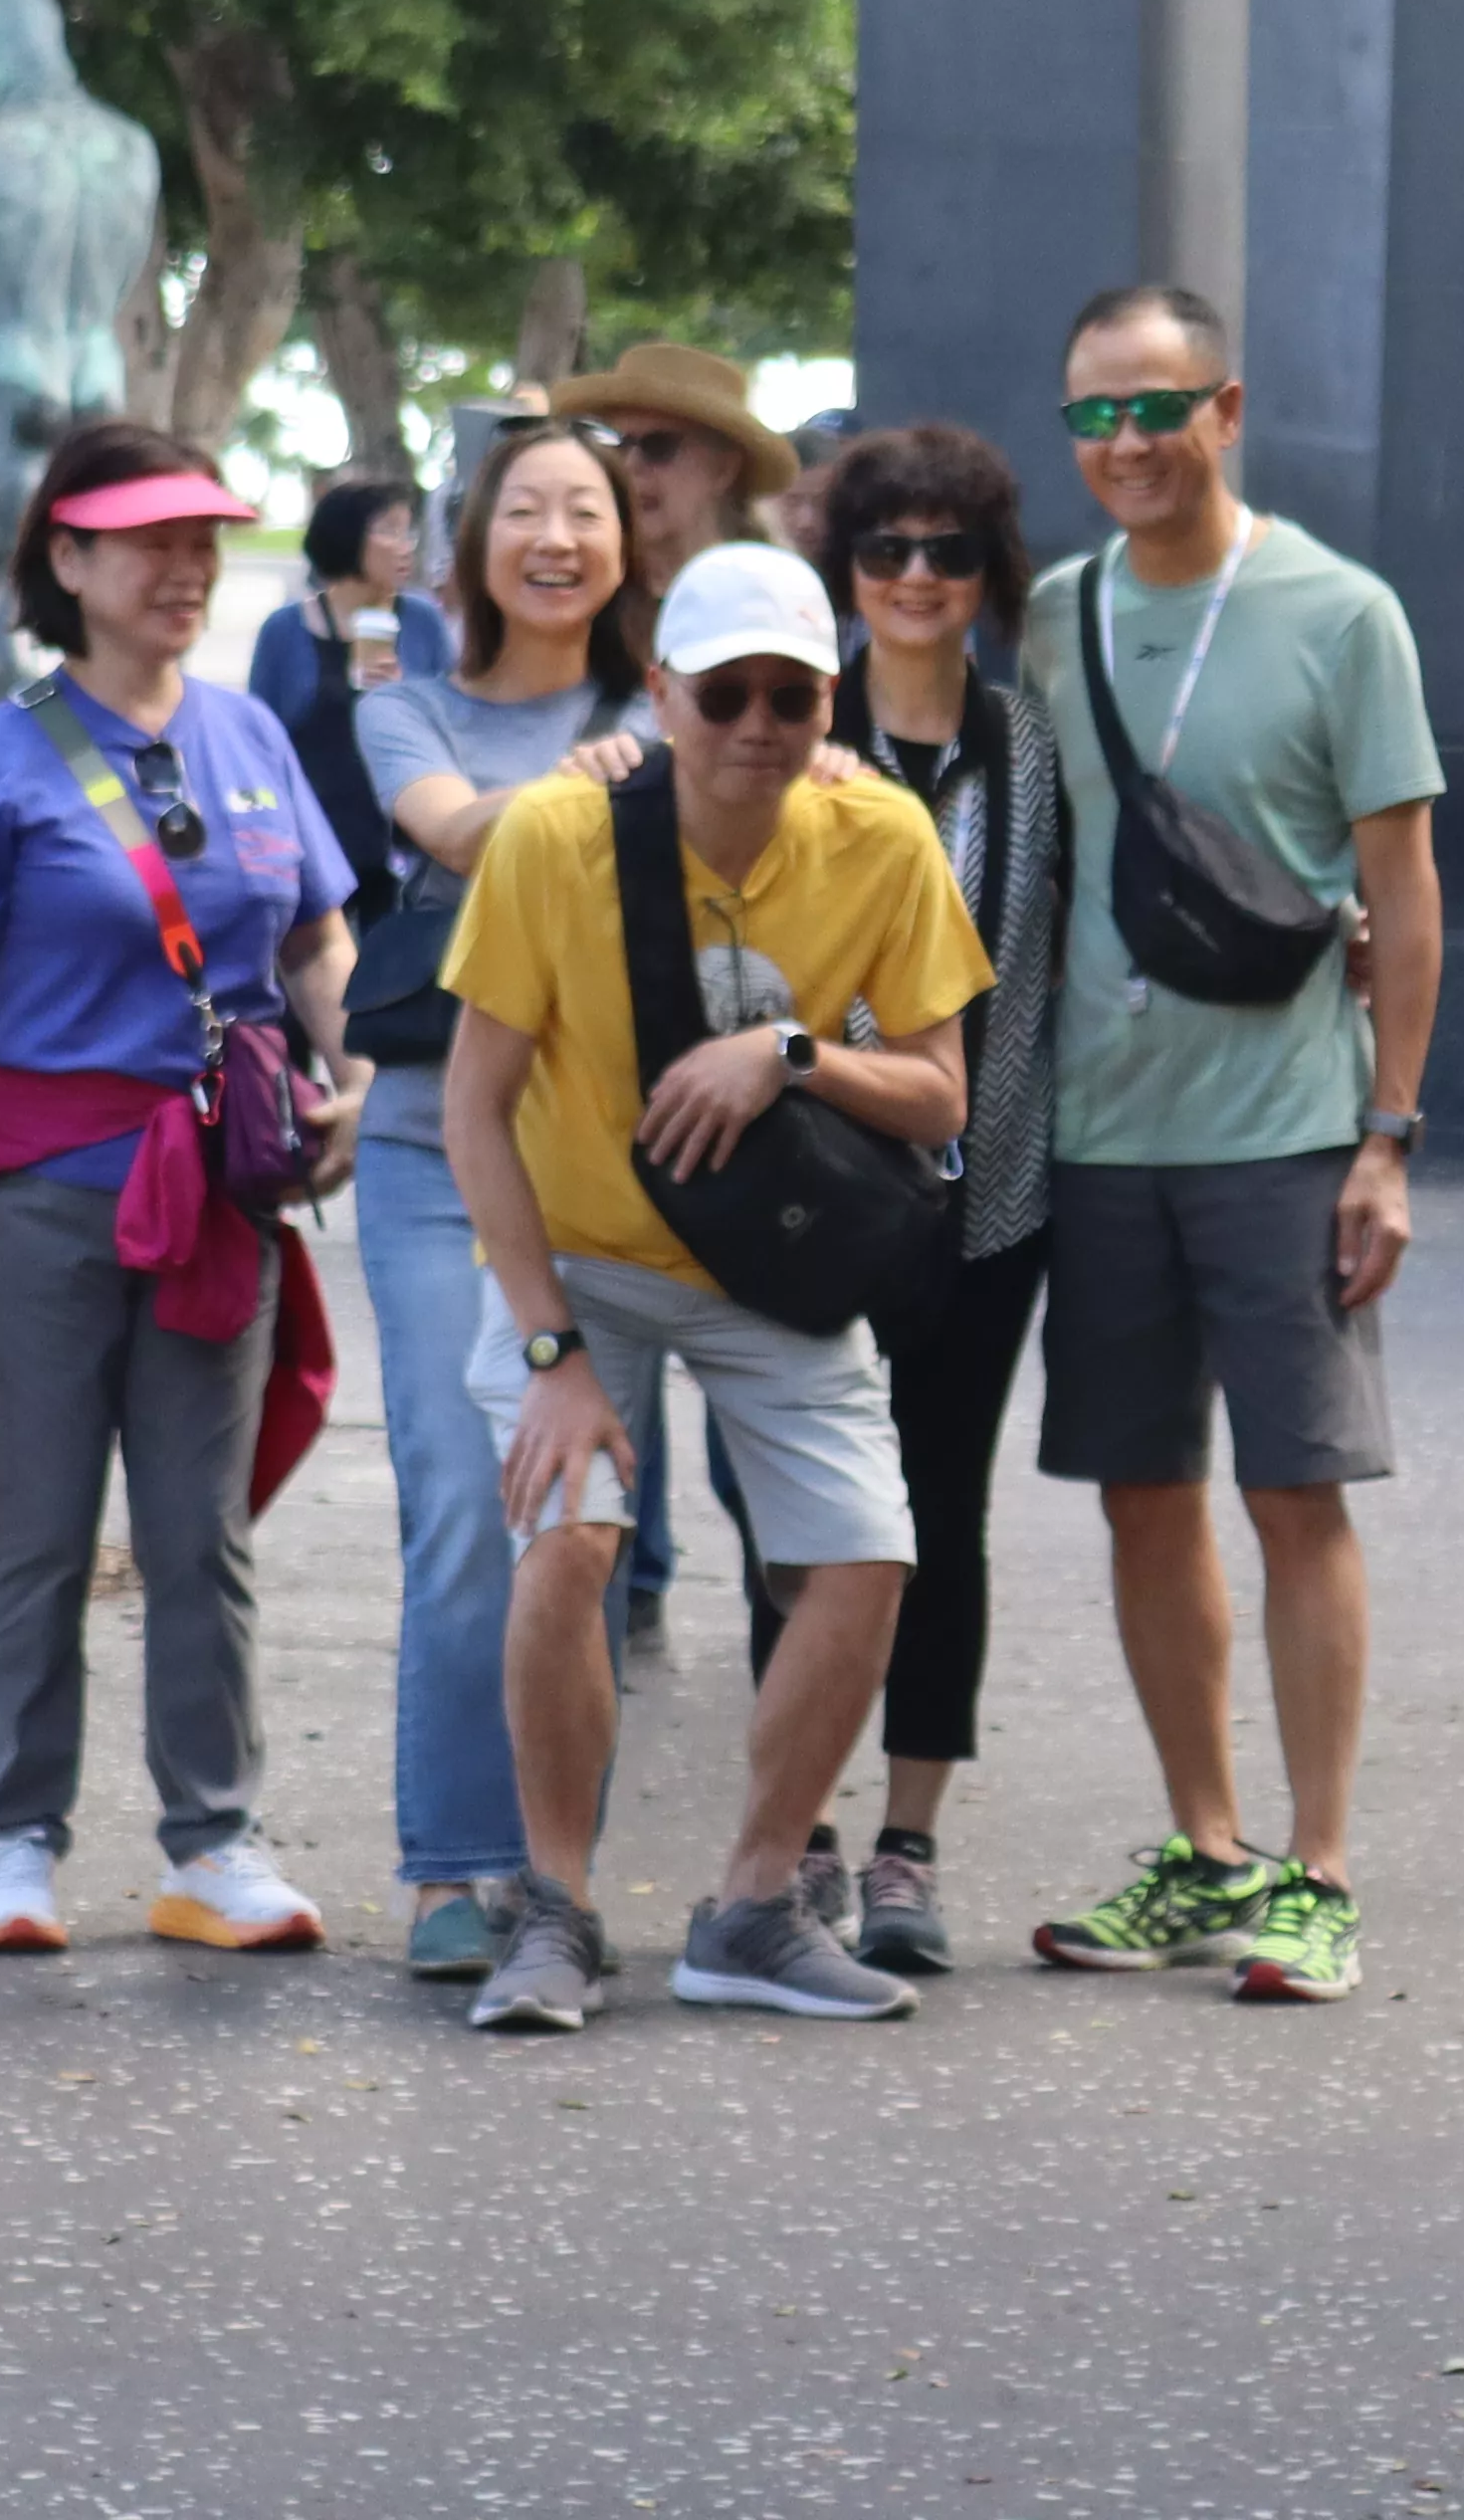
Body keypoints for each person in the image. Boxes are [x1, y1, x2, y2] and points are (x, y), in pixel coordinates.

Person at [443, 539, 988, 2030]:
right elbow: (471, 1109)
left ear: (834, 705)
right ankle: (552, 1904)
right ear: (663, 693)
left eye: (792, 698)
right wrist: (550, 1349)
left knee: (869, 1556)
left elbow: (943, 1097)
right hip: (588, 1262)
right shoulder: (556, 838)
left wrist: (795, 1051)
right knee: (570, 1541)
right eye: (726, 694)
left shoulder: (881, 837)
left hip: (774, 1272)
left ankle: (752, 1904)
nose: (757, 726)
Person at [0, 416, 351, 1958]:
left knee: (202, 1535)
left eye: (202, 541)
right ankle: (14, 1845)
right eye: (149, 541)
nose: (185, 568)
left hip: (222, 1190)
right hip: (35, 1197)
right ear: (68, 559)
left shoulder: (254, 737)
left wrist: (357, 1070)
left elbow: (318, 936)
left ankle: (213, 1845)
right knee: (39, 1533)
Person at [1017, 285, 1443, 2005]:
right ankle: (1207, 1848)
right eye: (1094, 415)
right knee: (1139, 1495)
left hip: (1285, 1132)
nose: (1125, 443)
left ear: (1229, 409)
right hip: (1099, 1135)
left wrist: (1389, 1136)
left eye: (1156, 408)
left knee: (1296, 1492)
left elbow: (1404, 891)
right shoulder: (1053, 615)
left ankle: (1320, 1870)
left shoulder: (1343, 614)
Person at [348, 416, 658, 1972]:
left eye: (585, 511)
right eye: (523, 509)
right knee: (463, 1501)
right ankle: (453, 1866)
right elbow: (455, 836)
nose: (555, 536)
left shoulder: (671, 710)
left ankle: (557, 1877)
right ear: (474, 548)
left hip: (604, 1175)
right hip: (423, 1156)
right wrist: (575, 796)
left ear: (622, 545)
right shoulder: (411, 715)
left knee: (574, 1516)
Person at [799, 419, 1068, 1974]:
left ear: (986, 572)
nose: (915, 576)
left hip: (990, 1193)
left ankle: (906, 1841)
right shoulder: (786, 723)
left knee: (937, 1511)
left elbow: (1058, 964)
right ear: (846, 564)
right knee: (804, 1515)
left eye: (946, 551)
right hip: (808, 1197)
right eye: (886, 547)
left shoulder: (1029, 752)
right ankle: (806, 1835)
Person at [251, 474, 449, 919]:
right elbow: (256, 747)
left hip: (403, 849)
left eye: (408, 531)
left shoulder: (422, 621)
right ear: (347, 536)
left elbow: (456, 726)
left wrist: (406, 697)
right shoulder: (286, 630)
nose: (406, 545)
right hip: (309, 847)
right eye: (390, 530)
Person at [545, 342, 797, 596]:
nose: (630, 464)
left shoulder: (768, 595)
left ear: (724, 469)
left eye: (658, 446)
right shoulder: (582, 593)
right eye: (616, 444)